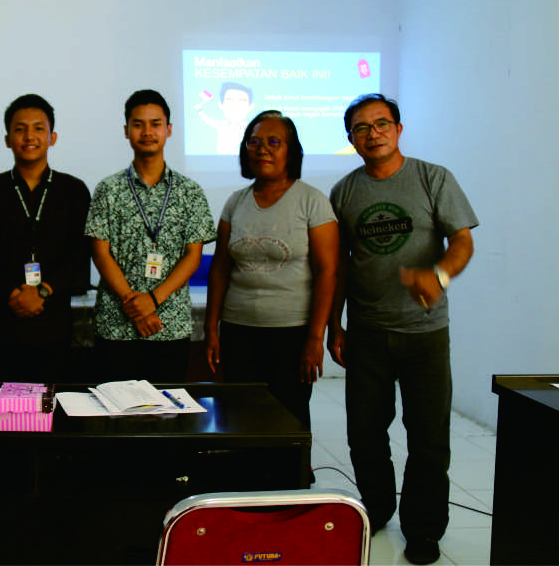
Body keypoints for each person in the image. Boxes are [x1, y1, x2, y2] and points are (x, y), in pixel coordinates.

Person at [328, 93, 477, 566]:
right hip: (367, 333)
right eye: (361, 128)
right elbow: (339, 266)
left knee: (428, 437)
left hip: (425, 334)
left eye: (381, 124)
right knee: (364, 434)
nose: (373, 134)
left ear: (398, 128)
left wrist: (439, 276)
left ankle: (424, 529)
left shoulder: (433, 178)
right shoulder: (344, 192)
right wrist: (334, 324)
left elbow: (462, 241)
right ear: (351, 139)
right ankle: (375, 508)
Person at [204, 110, 338, 434]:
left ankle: (288, 470)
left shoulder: (312, 201)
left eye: (273, 142)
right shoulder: (236, 202)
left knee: (288, 421)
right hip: (238, 331)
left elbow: (327, 272)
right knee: (239, 419)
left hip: (291, 334)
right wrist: (211, 329)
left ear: (291, 150)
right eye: (254, 142)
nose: (262, 149)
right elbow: (220, 268)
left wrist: (316, 338)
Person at [86, 89, 215, 382]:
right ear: (126, 131)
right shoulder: (108, 189)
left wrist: (153, 300)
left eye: (155, 124)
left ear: (168, 129)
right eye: (138, 124)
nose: (147, 132)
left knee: (167, 407)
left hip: (169, 324)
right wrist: (135, 305)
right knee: (113, 406)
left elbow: (193, 256)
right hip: (116, 324)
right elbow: (100, 253)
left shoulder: (190, 191)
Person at [0, 94, 91, 382]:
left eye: (38, 128)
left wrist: (42, 292)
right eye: (20, 129)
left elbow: (80, 253)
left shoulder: (74, 190)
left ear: (52, 137)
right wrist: (14, 293)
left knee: (49, 405)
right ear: (7, 139)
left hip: (53, 326)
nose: (29, 137)